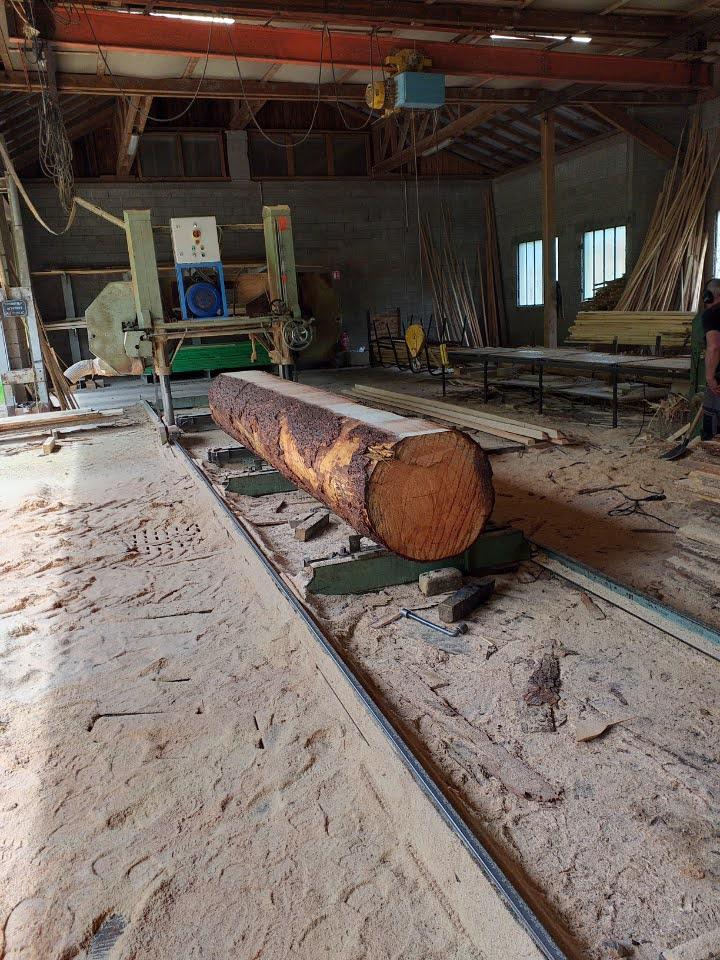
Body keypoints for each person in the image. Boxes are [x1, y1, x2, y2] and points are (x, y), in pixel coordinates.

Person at [701, 278, 720, 440]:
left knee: (712, 416)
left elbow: (713, 347)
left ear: (708, 296)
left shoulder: (712, 314)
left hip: (719, 378)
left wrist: (710, 377)